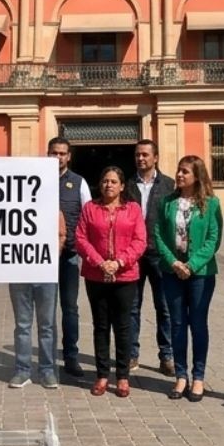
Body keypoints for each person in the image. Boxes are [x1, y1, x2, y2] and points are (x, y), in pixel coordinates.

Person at [154, 155, 222, 403]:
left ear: (197, 176)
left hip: (200, 274)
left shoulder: (211, 204)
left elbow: (213, 239)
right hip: (172, 271)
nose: (179, 175)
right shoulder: (167, 202)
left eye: (185, 172)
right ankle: (181, 376)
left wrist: (191, 265)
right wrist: (173, 262)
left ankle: (199, 376)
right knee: (178, 324)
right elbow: (158, 234)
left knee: (198, 323)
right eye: (179, 170)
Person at [75, 166, 146, 397]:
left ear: (122, 186)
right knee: (101, 326)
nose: (109, 185)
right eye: (105, 181)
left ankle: (123, 376)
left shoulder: (133, 209)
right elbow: (81, 238)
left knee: (123, 327)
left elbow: (140, 240)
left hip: (125, 276)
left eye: (114, 181)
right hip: (96, 275)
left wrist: (119, 263)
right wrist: (100, 262)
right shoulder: (90, 208)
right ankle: (102, 375)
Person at [128, 139, 176, 375]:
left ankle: (166, 356)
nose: (141, 158)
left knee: (164, 308)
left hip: (160, 255)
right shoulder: (127, 185)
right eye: (138, 155)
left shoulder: (169, 185)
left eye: (146, 154)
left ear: (155, 157)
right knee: (132, 307)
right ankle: (131, 355)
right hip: (133, 256)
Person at [8, 209, 65, 390]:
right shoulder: (10, 209)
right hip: (19, 272)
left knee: (46, 325)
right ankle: (22, 370)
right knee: (22, 325)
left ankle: (47, 370)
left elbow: (62, 234)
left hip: (45, 274)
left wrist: (51, 257)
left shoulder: (51, 207)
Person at [48, 136, 91, 378]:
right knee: (46, 310)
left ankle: (71, 357)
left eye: (62, 153)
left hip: (70, 256)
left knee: (70, 308)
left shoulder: (79, 183)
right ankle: (47, 358)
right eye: (54, 152)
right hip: (41, 258)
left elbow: (87, 218)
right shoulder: (36, 179)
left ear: (69, 156)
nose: (58, 157)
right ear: (48, 153)